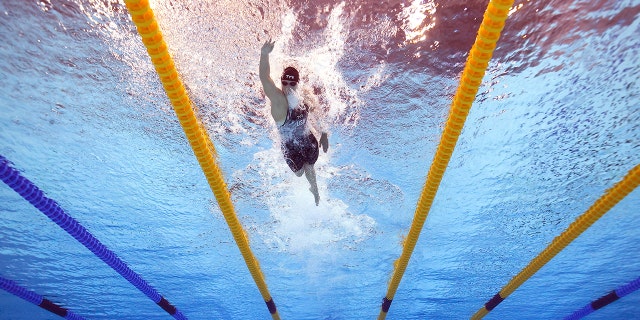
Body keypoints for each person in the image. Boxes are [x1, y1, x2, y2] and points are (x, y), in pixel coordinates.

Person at [259, 39, 329, 206]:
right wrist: (264, 55)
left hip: (307, 137)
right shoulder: (279, 102)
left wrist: (324, 133)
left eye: (292, 83)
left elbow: (316, 111)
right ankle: (310, 184)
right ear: (281, 81)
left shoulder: (304, 94)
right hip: (289, 145)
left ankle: (314, 189)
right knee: (299, 173)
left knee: (310, 166)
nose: (288, 86)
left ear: (298, 83)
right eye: (285, 82)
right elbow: (264, 77)